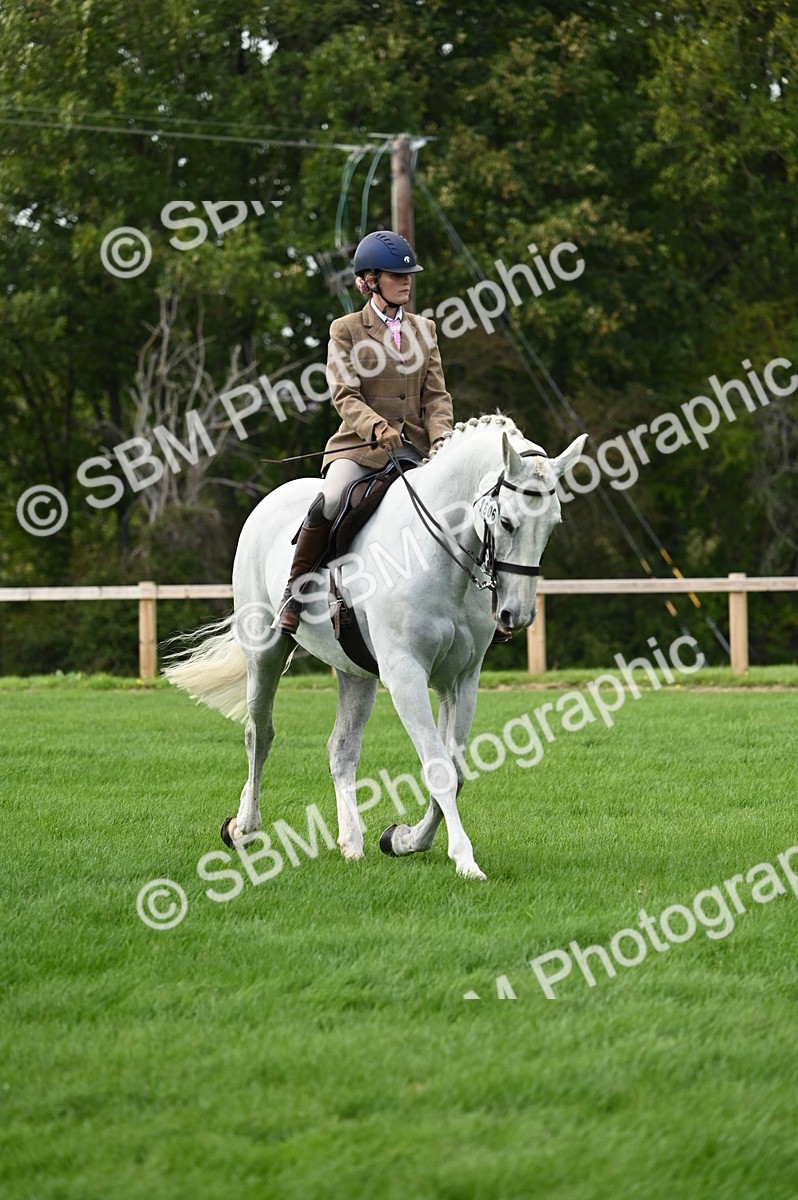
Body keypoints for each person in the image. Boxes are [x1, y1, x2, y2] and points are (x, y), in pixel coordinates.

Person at [275, 229, 454, 635]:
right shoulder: (347, 329)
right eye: (396, 275)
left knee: (465, 503)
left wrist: (442, 438)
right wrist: (376, 427)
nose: (406, 281)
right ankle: (296, 590)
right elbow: (344, 392)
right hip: (361, 448)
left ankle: (480, 606)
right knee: (332, 498)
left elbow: (437, 397)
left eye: (408, 275)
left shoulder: (425, 330)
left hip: (417, 451)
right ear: (370, 280)